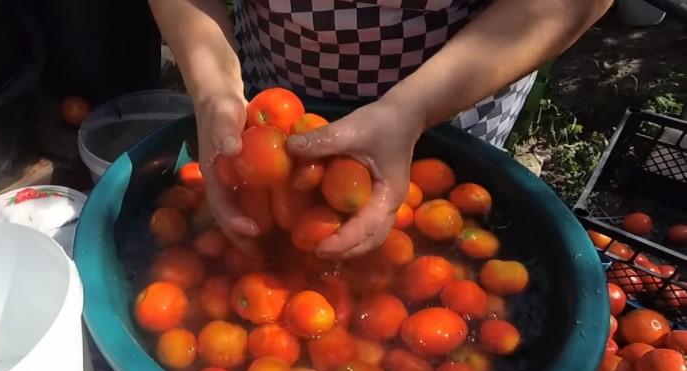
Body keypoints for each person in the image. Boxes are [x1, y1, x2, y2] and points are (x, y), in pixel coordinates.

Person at [149, 0, 612, 259]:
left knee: (433, 245)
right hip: (275, 92)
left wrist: (414, 109)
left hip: (455, 99)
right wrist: (213, 85)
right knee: (286, 236)